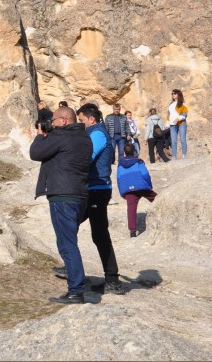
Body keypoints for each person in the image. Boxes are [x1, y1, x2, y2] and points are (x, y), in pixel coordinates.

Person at [29, 106, 92, 304]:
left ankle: (75, 291)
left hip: (63, 196)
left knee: (67, 244)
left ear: (64, 121)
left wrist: (40, 136)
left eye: (54, 120)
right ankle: (76, 284)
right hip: (80, 195)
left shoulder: (61, 136)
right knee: (70, 241)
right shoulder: (84, 138)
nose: (52, 124)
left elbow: (35, 153)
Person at [74, 104, 125, 295]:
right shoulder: (94, 131)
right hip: (93, 188)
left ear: (91, 119)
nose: (81, 124)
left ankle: (112, 280)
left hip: (97, 189)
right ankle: (72, 268)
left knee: (100, 234)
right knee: (71, 224)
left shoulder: (97, 133)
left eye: (82, 120)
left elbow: (87, 156)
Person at [116, 143, 157, 238]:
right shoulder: (138, 162)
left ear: (124, 153)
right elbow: (145, 174)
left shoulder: (120, 164)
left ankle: (132, 231)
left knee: (131, 209)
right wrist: (149, 186)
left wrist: (123, 192)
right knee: (155, 198)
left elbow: (119, 178)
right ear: (134, 152)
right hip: (141, 186)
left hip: (128, 189)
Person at [168, 89, 188, 159]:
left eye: (175, 93)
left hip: (181, 123)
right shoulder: (171, 104)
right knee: (173, 141)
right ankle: (174, 156)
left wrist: (178, 119)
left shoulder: (183, 103)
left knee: (183, 139)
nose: (173, 95)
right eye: (172, 93)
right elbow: (168, 115)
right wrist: (167, 123)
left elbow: (185, 114)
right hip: (172, 125)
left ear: (178, 94)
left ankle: (184, 155)